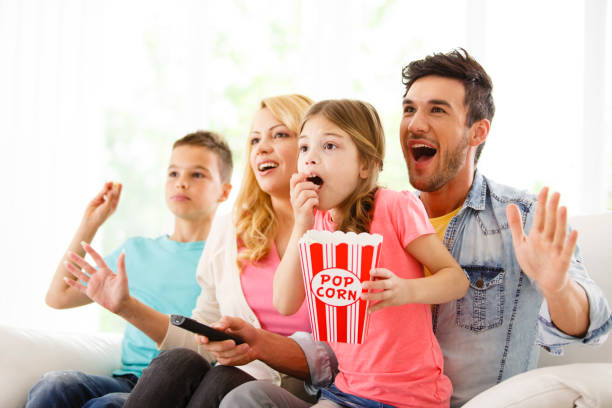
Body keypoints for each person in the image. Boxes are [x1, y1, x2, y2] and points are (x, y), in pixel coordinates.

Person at [218, 49, 612, 408]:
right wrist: (260, 343)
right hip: (351, 391)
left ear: (478, 131)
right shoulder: (347, 219)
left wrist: (557, 288)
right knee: (243, 395)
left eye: (437, 110)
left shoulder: (520, 216)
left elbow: (593, 327)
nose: (415, 124)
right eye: (409, 110)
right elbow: (331, 334)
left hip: (437, 400)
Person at [118, 94, 317, 408]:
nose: (262, 148)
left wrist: (260, 348)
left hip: (294, 393)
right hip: (227, 387)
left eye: (279, 134)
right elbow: (202, 341)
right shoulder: (229, 230)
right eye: (254, 140)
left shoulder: (340, 233)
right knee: (178, 362)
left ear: (312, 146)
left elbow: (343, 358)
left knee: (229, 379)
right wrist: (124, 305)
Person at [272, 99, 468, 407]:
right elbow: (284, 303)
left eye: (330, 146)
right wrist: (301, 226)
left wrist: (406, 290)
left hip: (411, 397)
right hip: (347, 390)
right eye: (304, 148)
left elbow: (456, 280)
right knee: (247, 397)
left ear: (365, 164)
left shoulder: (393, 206)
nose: (310, 159)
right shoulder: (317, 224)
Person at [26, 131, 233, 408]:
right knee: (54, 386)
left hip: (179, 386)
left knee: (107, 405)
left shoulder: (227, 258)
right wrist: (90, 224)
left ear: (225, 191)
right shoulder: (135, 252)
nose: (181, 183)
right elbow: (58, 297)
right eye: (173, 173)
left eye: (197, 175)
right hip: (127, 379)